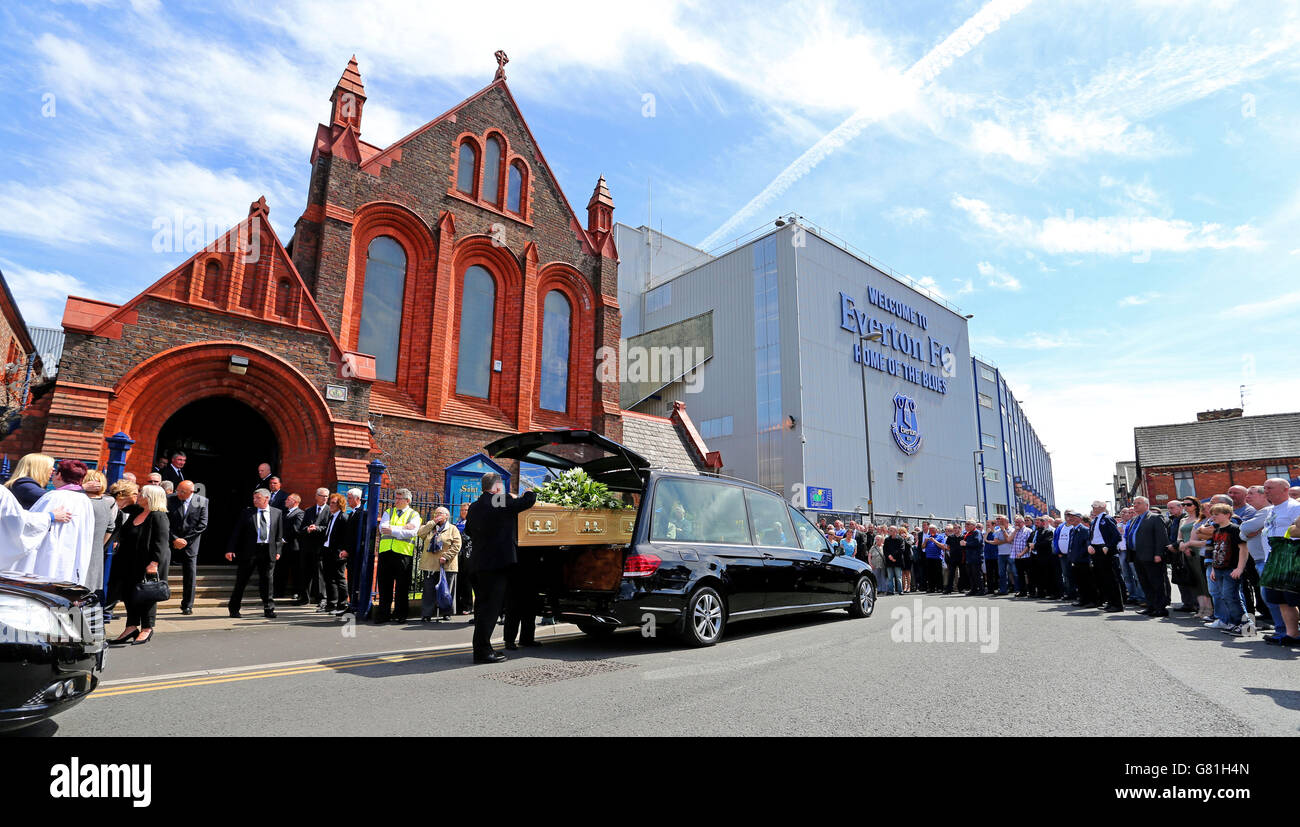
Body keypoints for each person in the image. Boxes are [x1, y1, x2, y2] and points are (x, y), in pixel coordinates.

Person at [466, 472, 536, 663]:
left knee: (482, 609)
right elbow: (526, 502)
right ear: (496, 487)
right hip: (495, 565)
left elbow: (469, 531)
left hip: (478, 564)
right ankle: (483, 652)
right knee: (490, 610)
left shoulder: (474, 505)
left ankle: (481, 648)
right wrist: (529, 491)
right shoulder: (498, 500)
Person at [107, 484, 171, 646]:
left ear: (151, 498)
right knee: (129, 594)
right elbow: (119, 512)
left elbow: (161, 542)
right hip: (129, 561)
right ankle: (131, 626)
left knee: (147, 595)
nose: (139, 496)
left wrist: (154, 563)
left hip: (148, 563)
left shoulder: (158, 516)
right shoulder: (136, 511)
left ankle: (147, 628)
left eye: (143, 494)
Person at [21, 460, 97, 588]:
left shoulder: (53, 496)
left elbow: (31, 525)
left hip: (48, 555)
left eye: (55, 472)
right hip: (70, 558)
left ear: (60, 475)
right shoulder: (85, 501)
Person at [225, 488, 284, 619]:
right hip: (250, 551)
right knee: (241, 580)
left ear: (267, 498)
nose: (254, 500)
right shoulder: (247, 512)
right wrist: (230, 549)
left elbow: (279, 535)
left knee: (268, 581)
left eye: (258, 498)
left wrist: (278, 551)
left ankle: (269, 609)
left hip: (268, 551)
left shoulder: (277, 513)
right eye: (254, 498)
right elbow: (237, 532)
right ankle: (234, 608)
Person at [1259, 478, 1300, 646]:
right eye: (1264, 488)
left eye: (1269, 488)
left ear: (1285, 489)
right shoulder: (1271, 509)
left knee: (1294, 598)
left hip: (1291, 560)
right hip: (1273, 560)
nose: (1265, 491)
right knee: (1280, 599)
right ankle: (1292, 634)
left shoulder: (1295, 507)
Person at [374, 489, 422, 623]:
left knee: (402, 587)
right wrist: (401, 529)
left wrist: (393, 530)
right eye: (396, 498)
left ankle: (400, 614)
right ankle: (383, 614)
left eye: (399, 498)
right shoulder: (388, 512)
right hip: (386, 553)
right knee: (384, 585)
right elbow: (382, 528)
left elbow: (413, 532)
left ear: (407, 500)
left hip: (403, 554)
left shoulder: (414, 515)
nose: (396, 501)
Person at [1239, 485, 1281, 636]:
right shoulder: (1260, 513)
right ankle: (1281, 628)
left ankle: (1283, 629)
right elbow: (1243, 533)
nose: (1247, 496)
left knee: (1272, 597)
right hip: (1259, 561)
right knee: (1268, 596)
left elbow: (1245, 528)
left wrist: (1248, 531)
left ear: (1264, 496)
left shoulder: (1267, 511)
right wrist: (1247, 531)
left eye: (1251, 493)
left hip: (1266, 561)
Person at [1204, 503, 1251, 634]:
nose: (1213, 517)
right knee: (1224, 596)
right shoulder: (1217, 530)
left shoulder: (1235, 529)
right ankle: (1234, 623)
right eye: (1212, 514)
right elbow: (1216, 551)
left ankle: (1245, 624)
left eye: (1216, 514)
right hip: (1218, 568)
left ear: (1227, 515)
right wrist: (1213, 569)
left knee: (1232, 596)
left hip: (1232, 568)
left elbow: (1243, 549)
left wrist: (1240, 568)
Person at [166, 480, 208, 615]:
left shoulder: (201, 501)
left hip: (190, 543)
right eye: (178, 490)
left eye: (182, 492)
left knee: (190, 574)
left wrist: (185, 540)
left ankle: (187, 605)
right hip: (171, 540)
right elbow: (164, 521)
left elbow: (202, 525)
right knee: (161, 568)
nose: (179, 493)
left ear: (191, 492)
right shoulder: (170, 499)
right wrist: (175, 538)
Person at [1127, 497, 1170, 617]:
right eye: (1134, 503)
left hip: (1151, 556)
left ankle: (1160, 608)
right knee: (1144, 582)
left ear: (1146, 505)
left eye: (1138, 503)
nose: (1135, 505)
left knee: (1156, 582)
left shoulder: (1155, 517)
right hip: (1137, 555)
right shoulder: (1135, 519)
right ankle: (1151, 606)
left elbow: (1161, 537)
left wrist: (1158, 554)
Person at [417, 506, 461, 622]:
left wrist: (446, 556)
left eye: (441, 513)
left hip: (447, 565)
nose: (437, 515)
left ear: (447, 516)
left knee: (446, 590)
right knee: (428, 591)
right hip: (430, 565)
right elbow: (420, 534)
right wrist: (433, 522)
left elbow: (457, 545)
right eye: (436, 513)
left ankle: (446, 613)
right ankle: (427, 614)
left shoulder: (453, 529)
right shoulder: (430, 527)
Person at [1178, 499, 1214, 619]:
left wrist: (1189, 545)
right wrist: (1183, 545)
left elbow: (1206, 539)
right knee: (1195, 580)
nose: (1185, 506)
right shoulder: (1183, 520)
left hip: (1199, 552)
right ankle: (1201, 608)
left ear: (1195, 506)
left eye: (1188, 504)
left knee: (1203, 580)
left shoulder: (1202, 519)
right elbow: (1180, 537)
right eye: (1183, 504)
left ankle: (1209, 609)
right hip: (1187, 552)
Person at [82, 470, 115, 598]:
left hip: (79, 558)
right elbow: (111, 528)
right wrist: (98, 545)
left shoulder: (82, 502)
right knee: (88, 597)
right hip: (95, 555)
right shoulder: (106, 504)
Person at [298, 488, 330, 608]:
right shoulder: (309, 510)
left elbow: (327, 528)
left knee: (319, 574)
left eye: (327, 496)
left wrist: (317, 528)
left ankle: (322, 598)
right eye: (322, 496)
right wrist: (307, 529)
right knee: (305, 572)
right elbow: (301, 528)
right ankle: (305, 598)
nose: (325, 498)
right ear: (316, 496)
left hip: (320, 547)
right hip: (307, 547)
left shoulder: (329, 511)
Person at [319, 493, 350, 614]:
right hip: (327, 550)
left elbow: (346, 536)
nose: (330, 505)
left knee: (339, 578)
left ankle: (342, 604)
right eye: (330, 502)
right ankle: (331, 603)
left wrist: (344, 550)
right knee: (328, 578)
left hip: (338, 553)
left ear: (340, 504)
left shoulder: (343, 517)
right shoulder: (331, 517)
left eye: (333, 503)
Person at [274, 493, 306, 602]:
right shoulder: (284, 513)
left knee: (295, 570)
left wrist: (284, 539)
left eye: (288, 499)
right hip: (282, 547)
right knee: (280, 569)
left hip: (293, 547)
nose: (285, 501)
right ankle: (278, 591)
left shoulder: (300, 513)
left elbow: (297, 529)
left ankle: (296, 592)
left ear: (295, 502)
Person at [342, 488, 366, 612]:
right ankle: (352, 603)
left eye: (350, 498)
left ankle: (357, 604)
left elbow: (359, 536)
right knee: (351, 579)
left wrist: (349, 550)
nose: (347, 500)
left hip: (357, 553)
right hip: (350, 553)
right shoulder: (352, 513)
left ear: (358, 499)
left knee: (356, 580)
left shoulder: (363, 513)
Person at [455, 502, 474, 615]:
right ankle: (458, 605)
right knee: (459, 580)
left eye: (466, 510)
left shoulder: (472, 522)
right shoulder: (458, 522)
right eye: (462, 510)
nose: (463, 512)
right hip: (458, 554)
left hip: (468, 554)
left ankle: (468, 606)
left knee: (467, 582)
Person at [961, 521, 985, 596]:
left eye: (968, 524)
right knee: (971, 574)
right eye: (966, 524)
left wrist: (966, 544)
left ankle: (981, 590)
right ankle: (973, 589)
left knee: (977, 574)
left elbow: (978, 542)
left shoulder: (976, 532)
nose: (966, 526)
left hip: (976, 557)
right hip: (969, 557)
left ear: (973, 525)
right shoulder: (968, 533)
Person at [882, 526, 904, 596]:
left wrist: (894, 557)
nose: (889, 531)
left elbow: (902, 549)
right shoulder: (887, 540)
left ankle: (900, 590)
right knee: (890, 577)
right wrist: (889, 556)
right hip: (889, 561)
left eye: (891, 530)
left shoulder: (900, 539)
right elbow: (885, 550)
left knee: (898, 577)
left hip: (897, 560)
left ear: (895, 531)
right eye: (889, 530)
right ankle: (891, 591)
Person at [923, 526, 945, 593]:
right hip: (929, 557)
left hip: (937, 558)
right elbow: (922, 547)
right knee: (930, 574)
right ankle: (931, 588)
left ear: (936, 530)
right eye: (930, 530)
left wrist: (934, 541)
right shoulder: (927, 537)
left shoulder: (940, 536)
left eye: (933, 529)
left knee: (938, 573)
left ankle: (939, 588)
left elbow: (942, 546)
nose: (931, 531)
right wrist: (925, 542)